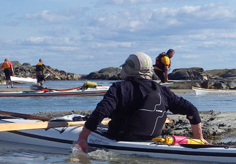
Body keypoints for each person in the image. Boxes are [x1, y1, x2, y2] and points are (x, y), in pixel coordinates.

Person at [74, 52, 206, 153]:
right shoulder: (162, 91)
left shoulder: (119, 88)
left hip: (120, 140)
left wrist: (82, 138)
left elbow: (100, 113)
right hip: (152, 141)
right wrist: (198, 142)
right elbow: (192, 110)